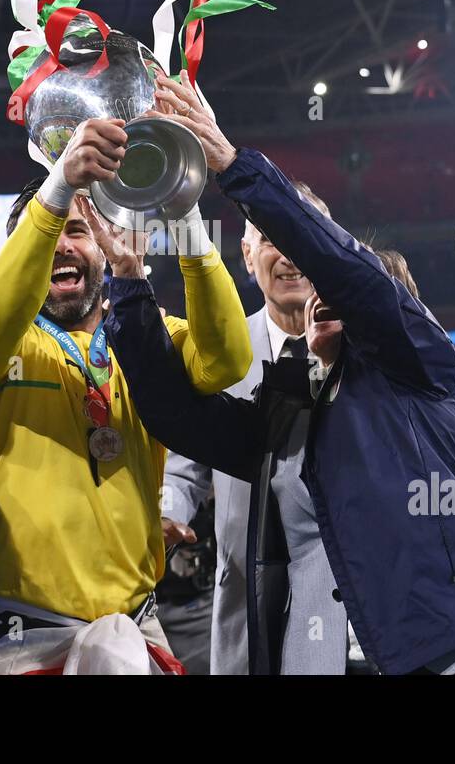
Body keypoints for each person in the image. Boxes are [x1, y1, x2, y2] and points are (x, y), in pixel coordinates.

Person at [103, 73, 455, 674]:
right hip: (314, 656)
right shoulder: (291, 408)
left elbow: (348, 272)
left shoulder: (416, 363)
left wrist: (234, 165)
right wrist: (131, 285)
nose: (314, 286)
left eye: (322, 272)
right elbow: (177, 416)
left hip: (435, 653)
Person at [0, 115, 252, 674]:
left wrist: (183, 210)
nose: (63, 246)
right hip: (22, 637)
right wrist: (60, 181)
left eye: (78, 231)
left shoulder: (147, 339)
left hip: (135, 627)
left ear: (106, 239)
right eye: (49, 232)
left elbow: (226, 360)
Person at [160, 180, 331, 676]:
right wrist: (169, 516)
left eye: (303, 233)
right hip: (245, 601)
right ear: (247, 253)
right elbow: (184, 469)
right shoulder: (218, 353)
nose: (291, 255)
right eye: (274, 238)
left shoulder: (366, 353)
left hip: (347, 603)